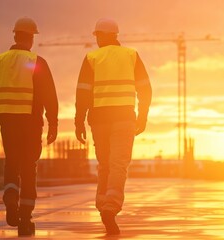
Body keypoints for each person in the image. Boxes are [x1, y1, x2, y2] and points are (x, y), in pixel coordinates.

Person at [0, 17, 58, 236]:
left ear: (15, 35)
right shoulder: (37, 61)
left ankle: (10, 198)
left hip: (7, 122)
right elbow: (49, 95)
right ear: (31, 38)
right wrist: (53, 122)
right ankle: (25, 217)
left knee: (12, 164)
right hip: (31, 123)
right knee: (28, 168)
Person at [75, 18, 152, 235]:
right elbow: (145, 88)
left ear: (108, 35)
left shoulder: (91, 58)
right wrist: (143, 115)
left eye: (98, 35)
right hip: (124, 118)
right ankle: (110, 207)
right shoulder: (131, 56)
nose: (97, 39)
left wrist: (79, 121)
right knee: (118, 164)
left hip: (99, 119)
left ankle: (103, 207)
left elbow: (82, 92)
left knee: (105, 165)